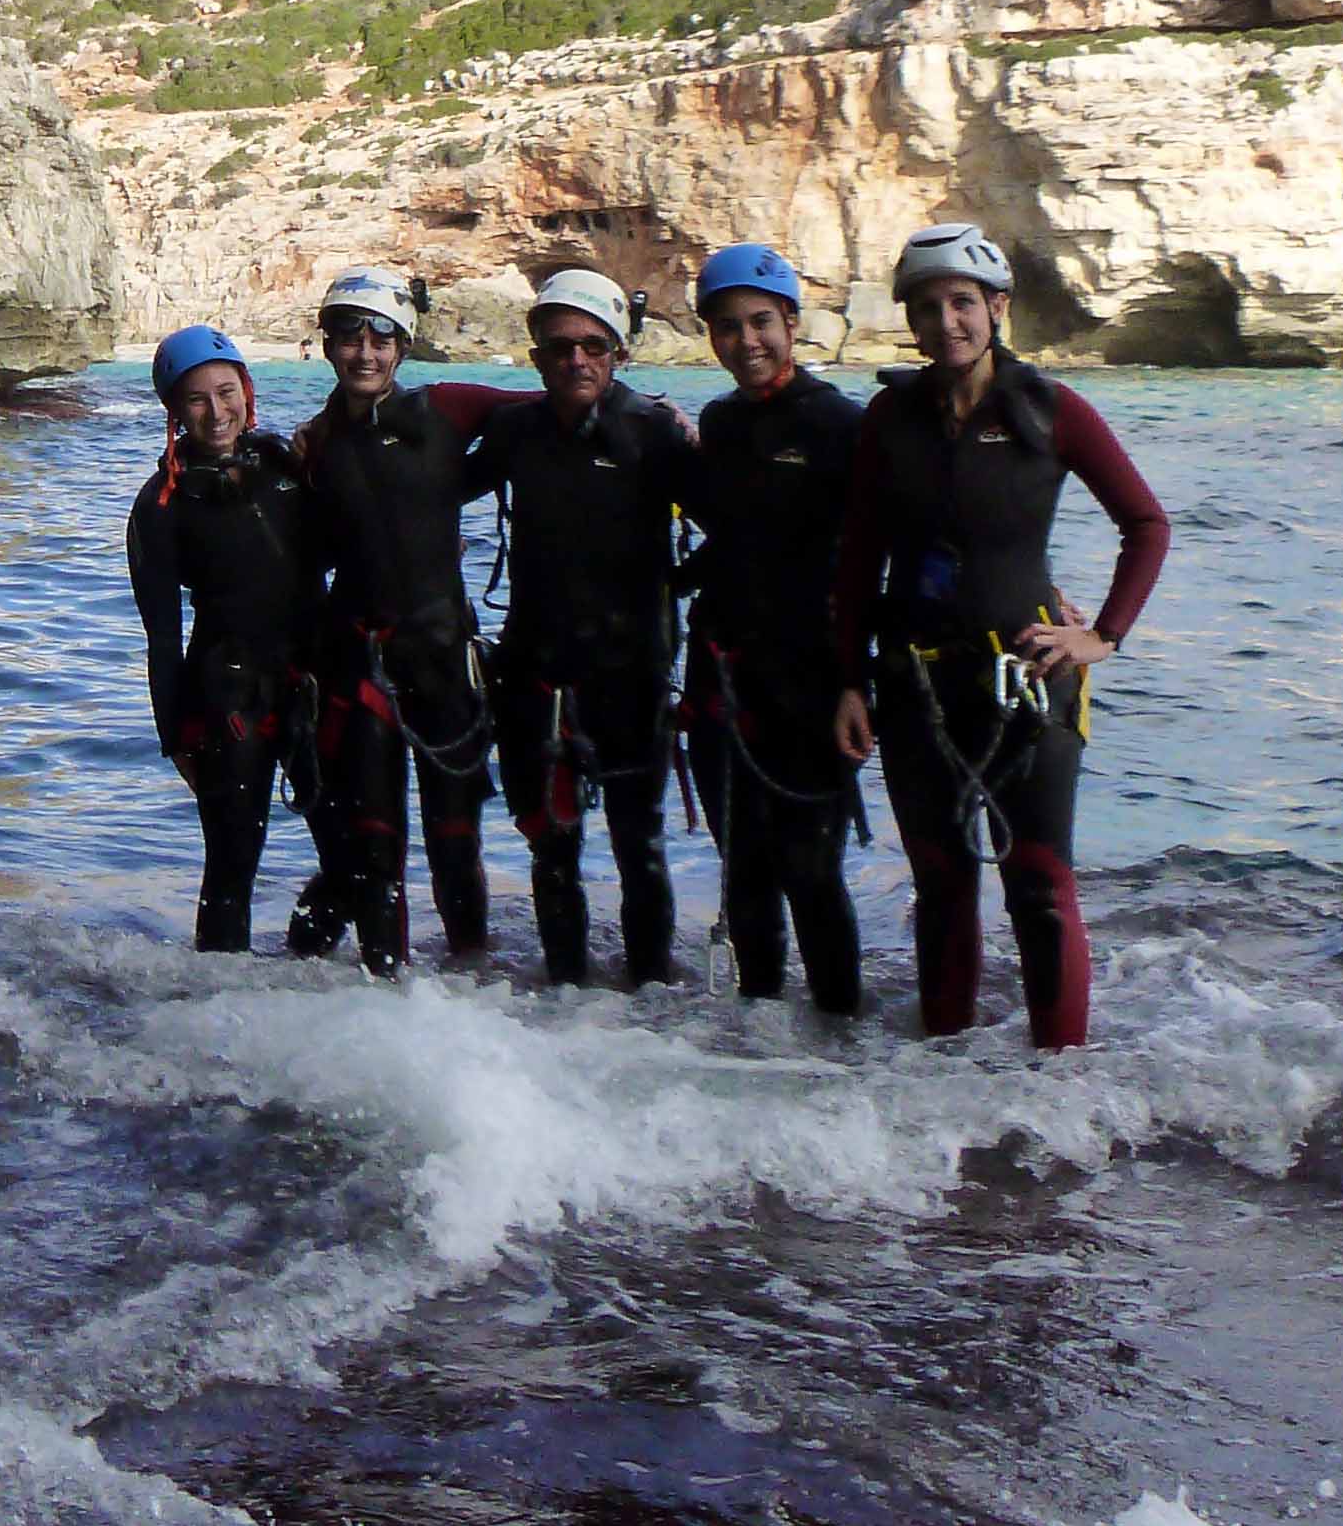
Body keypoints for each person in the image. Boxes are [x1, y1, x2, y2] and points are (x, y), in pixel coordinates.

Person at [832, 223, 1170, 1050]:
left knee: (1039, 883)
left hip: (1029, 682)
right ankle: (941, 1083)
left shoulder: (1049, 410)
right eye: (927, 306)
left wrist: (1106, 638)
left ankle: (1063, 1086)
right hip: (915, 686)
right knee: (942, 883)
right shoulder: (889, 418)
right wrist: (849, 681)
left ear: (997, 308)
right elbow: (856, 562)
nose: (946, 322)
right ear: (908, 318)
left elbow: (1147, 524)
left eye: (963, 304)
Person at [289, 269, 532, 970]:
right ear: (327, 344)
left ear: (402, 346)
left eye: (380, 337)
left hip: (443, 656)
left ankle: (472, 980)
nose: (364, 353)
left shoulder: (448, 409)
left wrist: (659, 417)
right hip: (359, 662)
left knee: (456, 837)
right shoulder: (314, 447)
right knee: (375, 843)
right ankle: (383, 996)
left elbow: (559, 410)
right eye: (348, 337)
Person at [464, 269, 696, 988]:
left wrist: (673, 588)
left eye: (593, 346)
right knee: (550, 848)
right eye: (559, 347)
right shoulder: (515, 432)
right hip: (536, 672)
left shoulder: (655, 433)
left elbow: (748, 530)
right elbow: (424, 484)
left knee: (640, 847)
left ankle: (653, 1008)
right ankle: (565, 1004)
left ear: (618, 352)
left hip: (631, 674)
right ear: (536, 355)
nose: (577, 361)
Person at [677, 243, 870, 1016]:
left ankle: (842, 1036)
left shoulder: (838, 425)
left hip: (810, 682)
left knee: (810, 869)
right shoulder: (721, 423)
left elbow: (898, 535)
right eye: (726, 328)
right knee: (744, 868)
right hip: (725, 673)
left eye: (760, 322)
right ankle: (759, 1039)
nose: (745, 341)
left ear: (792, 322)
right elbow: (728, 526)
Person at [123, 324, 325, 952]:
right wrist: (174, 738)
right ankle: (220, 1015)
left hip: (315, 682)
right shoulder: (161, 504)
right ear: (173, 411)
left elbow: (359, 535)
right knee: (233, 866)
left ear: (247, 389)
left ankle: (312, 970)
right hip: (229, 696)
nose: (216, 413)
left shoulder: (287, 464)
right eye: (195, 399)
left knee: (355, 857)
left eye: (226, 391)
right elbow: (161, 636)